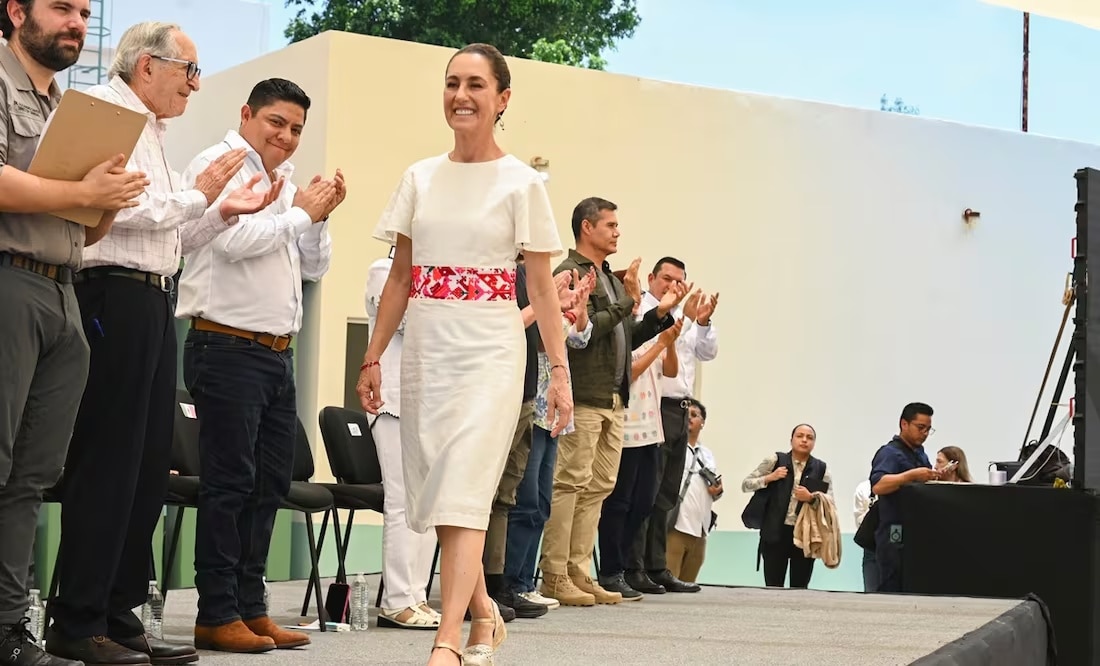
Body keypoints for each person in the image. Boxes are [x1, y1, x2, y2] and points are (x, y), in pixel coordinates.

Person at [45, 22, 282, 666]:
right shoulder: (102, 111)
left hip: (153, 297)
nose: (194, 85)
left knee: (148, 468)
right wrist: (197, 196)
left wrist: (220, 214)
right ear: (147, 67)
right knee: (108, 462)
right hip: (110, 297)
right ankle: (77, 618)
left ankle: (121, 617)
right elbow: (114, 210)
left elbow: (167, 241)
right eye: (189, 72)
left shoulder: (151, 130)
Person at [356, 43, 573, 666]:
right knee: (446, 496)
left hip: (491, 352)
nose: (461, 95)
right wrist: (372, 359)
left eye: (476, 84)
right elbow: (400, 278)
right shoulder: (419, 177)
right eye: (452, 83)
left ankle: (446, 638)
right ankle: (483, 614)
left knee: (467, 487)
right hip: (427, 349)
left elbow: (540, 290)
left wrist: (558, 373)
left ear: (502, 99)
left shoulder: (523, 183)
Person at [0, 1, 149, 664]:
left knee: (33, 475)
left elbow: (86, 228)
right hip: (9, 281)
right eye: (62, 7)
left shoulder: (70, 106)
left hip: (66, 290)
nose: (78, 23)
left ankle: (8, 627)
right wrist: (79, 192)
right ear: (14, 10)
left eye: (86, 12)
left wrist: (107, 201)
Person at [177, 77, 344, 652]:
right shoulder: (218, 163)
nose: (287, 136)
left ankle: (251, 608)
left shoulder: (288, 182)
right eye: (277, 122)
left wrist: (316, 219)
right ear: (247, 114)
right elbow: (231, 240)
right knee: (228, 484)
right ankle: (215, 612)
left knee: (270, 483)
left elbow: (313, 268)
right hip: (224, 346)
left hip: (275, 353)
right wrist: (298, 216)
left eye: (297, 128)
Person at [539, 205, 683, 607]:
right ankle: (554, 573)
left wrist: (659, 314)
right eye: (611, 225)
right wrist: (627, 302)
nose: (618, 232)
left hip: (614, 396)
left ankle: (579, 571)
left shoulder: (610, 280)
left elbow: (625, 335)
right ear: (587, 228)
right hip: (583, 394)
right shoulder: (569, 272)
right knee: (569, 482)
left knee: (599, 485)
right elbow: (580, 330)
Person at [628, 258, 717, 595]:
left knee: (666, 493)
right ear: (652, 278)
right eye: (666, 279)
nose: (672, 286)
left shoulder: (686, 318)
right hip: (653, 405)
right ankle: (634, 566)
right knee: (645, 492)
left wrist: (702, 321)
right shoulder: (644, 311)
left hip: (682, 408)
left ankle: (656, 566)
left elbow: (707, 352)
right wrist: (674, 312)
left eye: (679, 281)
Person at [365, 248, 441, 630]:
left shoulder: (434, 276)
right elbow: (408, 322)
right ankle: (396, 600)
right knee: (399, 501)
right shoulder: (384, 271)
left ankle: (417, 594)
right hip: (392, 399)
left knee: (426, 504)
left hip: (427, 404)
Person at [741, 424, 834, 589]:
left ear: (814, 443)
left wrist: (811, 498)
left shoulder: (821, 468)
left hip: (804, 535)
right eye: (800, 436)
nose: (804, 440)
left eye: (809, 437)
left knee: (800, 587)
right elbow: (746, 484)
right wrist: (770, 477)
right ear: (791, 439)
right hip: (775, 532)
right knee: (773, 586)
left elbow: (829, 503)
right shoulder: (775, 460)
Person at [869, 403, 940, 593]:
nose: (924, 433)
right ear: (904, 424)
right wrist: (909, 476)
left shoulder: (920, 454)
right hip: (894, 532)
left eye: (928, 429)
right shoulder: (889, 452)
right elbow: (879, 485)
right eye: (920, 428)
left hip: (917, 533)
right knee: (893, 588)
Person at [667, 399, 722, 583]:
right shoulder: (671, 448)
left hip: (701, 531)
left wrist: (718, 490)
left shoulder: (707, 454)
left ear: (703, 423)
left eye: (694, 415)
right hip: (675, 527)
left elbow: (712, 490)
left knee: (689, 588)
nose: (689, 418)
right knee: (667, 587)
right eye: (686, 414)